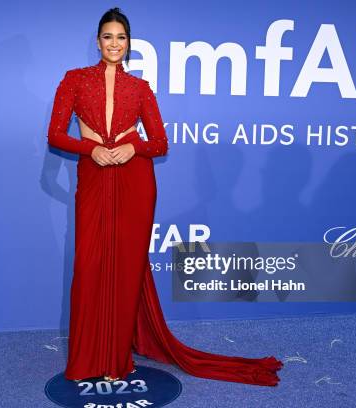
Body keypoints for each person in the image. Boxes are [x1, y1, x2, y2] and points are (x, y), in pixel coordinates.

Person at [47, 7, 284, 386]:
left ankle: (116, 358)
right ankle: (87, 357)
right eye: (107, 37)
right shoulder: (74, 80)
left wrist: (133, 148)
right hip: (93, 177)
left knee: (126, 269)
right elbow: (55, 135)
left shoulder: (140, 88)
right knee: (89, 267)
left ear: (129, 43)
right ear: (97, 41)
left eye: (121, 38)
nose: (114, 44)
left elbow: (159, 143)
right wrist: (89, 149)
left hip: (133, 181)